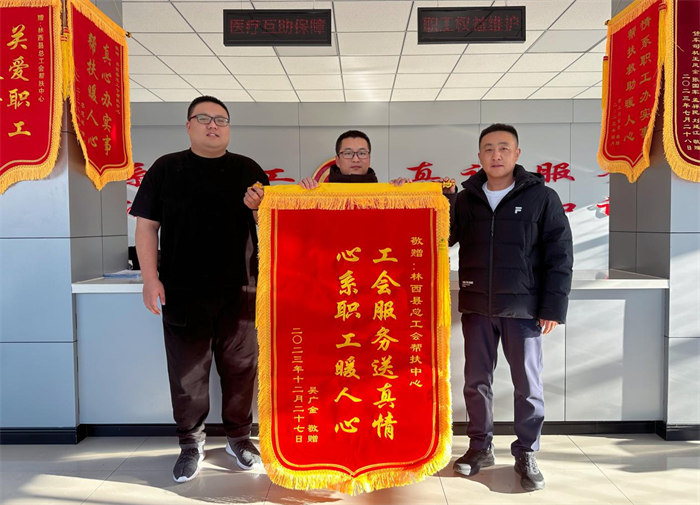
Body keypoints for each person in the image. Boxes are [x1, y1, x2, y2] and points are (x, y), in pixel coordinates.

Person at [130, 95, 270, 483]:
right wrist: (150, 278)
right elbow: (146, 227)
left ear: (229, 128)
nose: (213, 125)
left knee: (241, 371)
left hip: (242, 291)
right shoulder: (166, 168)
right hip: (183, 291)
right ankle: (190, 443)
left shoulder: (248, 170)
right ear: (188, 125)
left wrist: (259, 209)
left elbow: (273, 225)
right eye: (204, 118)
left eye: (221, 119)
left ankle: (239, 439)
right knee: (187, 374)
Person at [449, 124, 573, 491]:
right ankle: (479, 447)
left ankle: (526, 452)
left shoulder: (542, 197)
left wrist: (553, 307)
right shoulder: (466, 200)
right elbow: (443, 237)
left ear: (517, 154)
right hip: (477, 307)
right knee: (476, 382)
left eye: (504, 148)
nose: (496, 155)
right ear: (479, 156)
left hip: (523, 308)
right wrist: (443, 201)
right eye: (488, 149)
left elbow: (560, 255)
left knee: (528, 385)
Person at [243, 130, 453, 208]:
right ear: (337, 159)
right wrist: (298, 197)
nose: (356, 158)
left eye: (362, 153)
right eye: (348, 153)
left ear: (369, 158)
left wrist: (408, 195)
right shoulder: (315, 194)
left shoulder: (387, 197)